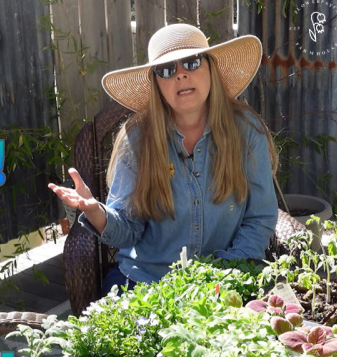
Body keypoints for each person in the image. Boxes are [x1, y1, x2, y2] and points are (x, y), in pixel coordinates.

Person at [49, 23, 279, 295]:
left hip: (224, 283)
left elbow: (259, 218)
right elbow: (127, 231)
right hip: (146, 285)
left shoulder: (246, 130)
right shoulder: (137, 139)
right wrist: (95, 212)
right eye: (166, 70)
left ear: (211, 68)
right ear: (156, 84)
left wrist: (225, 278)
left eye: (192, 62)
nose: (181, 74)